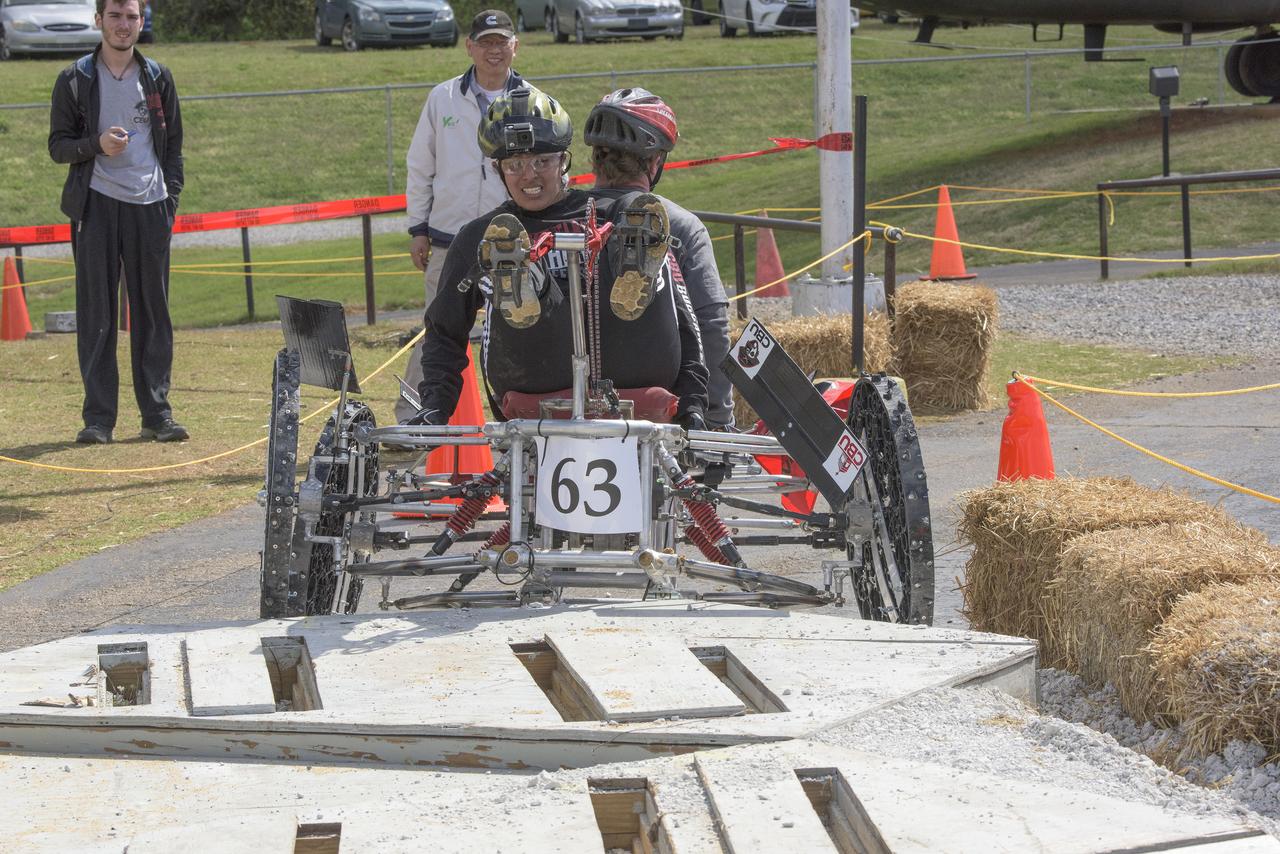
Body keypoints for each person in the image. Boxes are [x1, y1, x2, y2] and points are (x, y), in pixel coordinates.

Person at [408, 87, 708, 430]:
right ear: (497, 168)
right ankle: (522, 279)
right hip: (535, 373)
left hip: (632, 365)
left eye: (542, 161)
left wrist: (694, 406)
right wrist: (435, 406)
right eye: (515, 165)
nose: (529, 175)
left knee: (634, 230)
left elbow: (681, 317)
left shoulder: (616, 219)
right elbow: (444, 331)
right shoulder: (482, 237)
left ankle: (607, 273)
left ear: (564, 161)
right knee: (510, 253)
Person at [48, 0, 185, 444]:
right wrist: (96, 144)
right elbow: (58, 146)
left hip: (150, 205)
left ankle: (157, 415)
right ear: (99, 20)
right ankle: (99, 419)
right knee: (97, 314)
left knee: (153, 313)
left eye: (131, 16)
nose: (123, 25)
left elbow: (174, 147)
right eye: (115, 16)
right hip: (96, 206)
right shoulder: (75, 78)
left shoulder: (158, 76)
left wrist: (169, 201)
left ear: (141, 22)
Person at [396, 8, 525, 424]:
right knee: (435, 331)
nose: (493, 51)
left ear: (515, 47)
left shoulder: (531, 102)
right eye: (485, 43)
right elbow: (420, 166)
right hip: (448, 241)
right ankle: (413, 419)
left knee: (519, 332)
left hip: (511, 241)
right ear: (469, 47)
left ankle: (517, 421)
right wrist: (418, 229)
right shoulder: (443, 98)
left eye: (501, 42)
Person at [584, 88, 735, 429]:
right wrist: (716, 417)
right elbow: (711, 325)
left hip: (565, 405)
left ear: (595, 157)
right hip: (660, 412)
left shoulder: (564, 221)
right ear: (655, 162)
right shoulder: (681, 226)